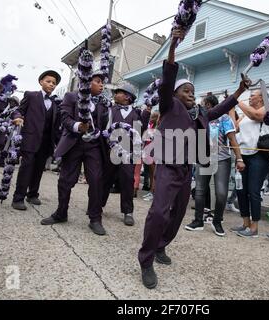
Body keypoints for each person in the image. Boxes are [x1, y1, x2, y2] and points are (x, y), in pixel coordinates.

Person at [138, 28, 250, 289]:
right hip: (167, 165)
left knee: (177, 215)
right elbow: (168, 77)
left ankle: (161, 246)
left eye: (193, 90)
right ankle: (146, 260)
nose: (191, 93)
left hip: (186, 169)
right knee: (158, 212)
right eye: (185, 90)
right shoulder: (169, 105)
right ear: (175, 95)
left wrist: (239, 90)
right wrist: (174, 43)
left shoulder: (200, 114)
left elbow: (221, 109)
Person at [40, 72, 110, 236]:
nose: (101, 85)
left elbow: (103, 124)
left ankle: (95, 219)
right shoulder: (71, 96)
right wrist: (78, 125)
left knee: (96, 182)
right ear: (87, 81)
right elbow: (64, 118)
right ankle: (61, 213)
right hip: (74, 144)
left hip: (94, 147)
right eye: (98, 81)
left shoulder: (102, 103)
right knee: (65, 180)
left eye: (103, 83)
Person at [185, 94, 245, 237]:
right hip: (204, 158)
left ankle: (217, 221)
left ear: (208, 105)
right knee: (200, 190)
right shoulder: (200, 118)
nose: (200, 104)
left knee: (221, 192)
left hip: (221, 159)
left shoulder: (224, 119)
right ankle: (198, 221)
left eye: (203, 103)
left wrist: (239, 159)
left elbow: (232, 139)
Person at [11, 70, 62, 210]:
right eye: (48, 81)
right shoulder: (31, 95)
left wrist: (58, 143)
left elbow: (56, 125)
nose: (51, 84)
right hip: (30, 138)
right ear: (41, 82)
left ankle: (32, 194)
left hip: (46, 141)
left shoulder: (56, 102)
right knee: (26, 167)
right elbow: (19, 110)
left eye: (54, 83)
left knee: (39, 168)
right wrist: (17, 117)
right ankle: (18, 198)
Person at [101, 83, 150, 227]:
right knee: (106, 179)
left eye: (119, 92)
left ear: (127, 97)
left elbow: (140, 133)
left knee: (127, 181)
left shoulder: (137, 114)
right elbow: (106, 130)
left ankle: (128, 212)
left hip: (129, 154)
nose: (115, 94)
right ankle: (99, 205)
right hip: (113, 151)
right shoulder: (112, 110)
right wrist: (110, 146)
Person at [232, 90, 269, 238]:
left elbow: (256, 115)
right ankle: (245, 222)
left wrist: (237, 100)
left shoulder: (268, 109)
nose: (250, 97)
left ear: (262, 99)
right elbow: (235, 128)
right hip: (243, 155)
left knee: (253, 190)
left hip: (259, 156)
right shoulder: (245, 114)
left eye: (252, 95)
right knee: (241, 189)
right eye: (249, 95)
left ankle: (254, 227)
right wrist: (231, 107)